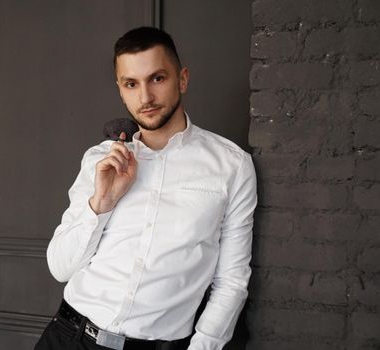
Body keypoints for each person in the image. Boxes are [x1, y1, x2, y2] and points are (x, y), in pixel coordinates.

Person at [35, 27, 257, 350]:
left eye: (157, 78)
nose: (145, 98)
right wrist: (102, 202)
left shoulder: (232, 166)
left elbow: (232, 282)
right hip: (68, 337)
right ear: (120, 90)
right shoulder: (101, 160)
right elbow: (60, 266)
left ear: (182, 79)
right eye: (131, 84)